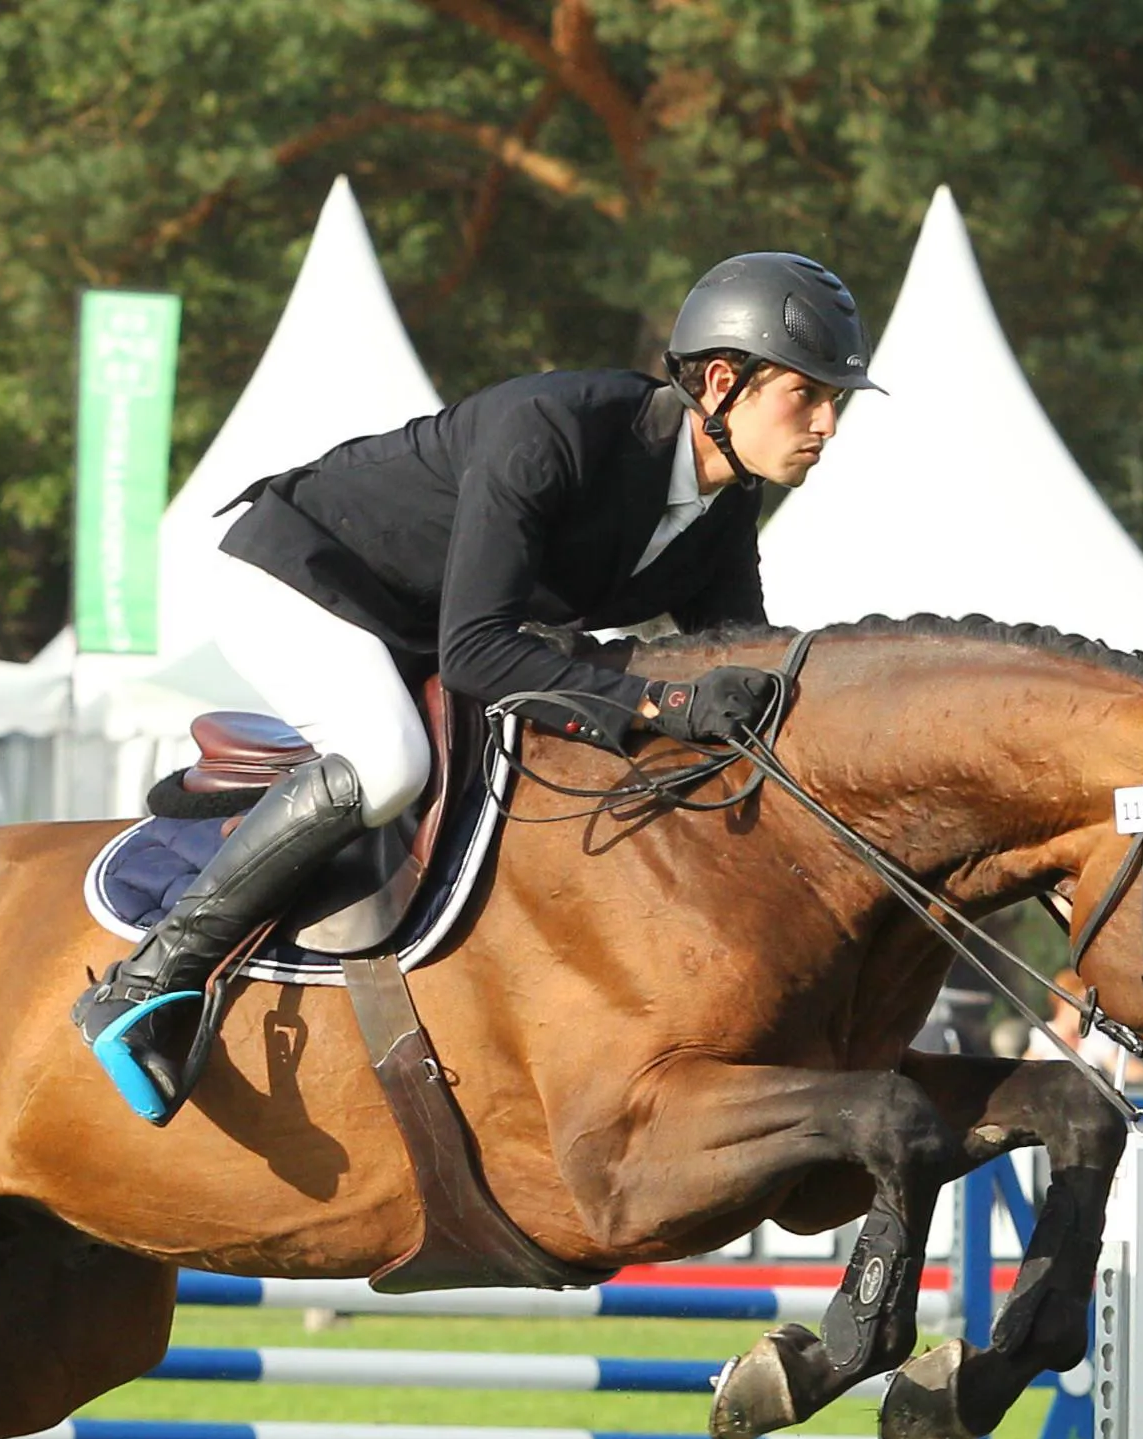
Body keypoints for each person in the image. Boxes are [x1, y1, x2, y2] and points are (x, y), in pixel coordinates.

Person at [68, 253, 872, 1122]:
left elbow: (742, 669)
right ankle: (152, 975)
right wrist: (660, 706)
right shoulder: (554, 429)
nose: (828, 424)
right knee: (388, 765)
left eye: (840, 402)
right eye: (809, 395)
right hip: (300, 577)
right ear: (722, 381)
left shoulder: (723, 508)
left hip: (416, 629)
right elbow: (480, 653)